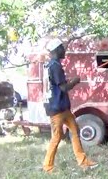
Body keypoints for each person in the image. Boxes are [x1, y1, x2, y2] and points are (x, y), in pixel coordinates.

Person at [42, 38, 98, 173]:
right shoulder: (55, 66)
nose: (64, 50)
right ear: (56, 50)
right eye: (62, 48)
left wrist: (69, 81)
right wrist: (75, 81)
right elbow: (63, 88)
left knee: (75, 130)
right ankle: (47, 167)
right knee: (57, 136)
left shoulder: (50, 65)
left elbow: (55, 84)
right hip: (57, 109)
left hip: (61, 107)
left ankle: (83, 162)